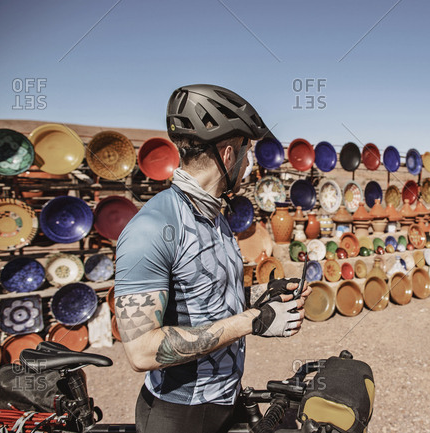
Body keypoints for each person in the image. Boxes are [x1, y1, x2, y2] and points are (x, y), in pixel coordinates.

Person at [114, 84, 311, 433]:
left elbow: (206, 300)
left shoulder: (215, 216)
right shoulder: (153, 226)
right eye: (247, 154)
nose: (251, 166)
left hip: (223, 400)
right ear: (229, 154)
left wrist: (264, 303)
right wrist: (252, 321)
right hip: (178, 415)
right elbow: (141, 351)